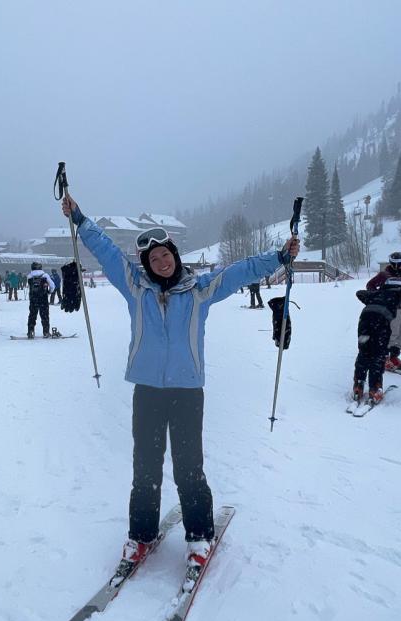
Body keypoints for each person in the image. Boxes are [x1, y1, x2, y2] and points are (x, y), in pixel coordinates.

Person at [61, 192, 299, 579]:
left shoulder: (200, 289)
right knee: (146, 468)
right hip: (148, 391)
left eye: (165, 255)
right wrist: (80, 219)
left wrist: (279, 257)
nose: (160, 262)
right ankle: (141, 535)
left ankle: (200, 535)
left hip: (187, 392)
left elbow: (240, 271)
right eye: (153, 259)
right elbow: (105, 251)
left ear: (174, 254)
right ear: (147, 264)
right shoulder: (135, 287)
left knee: (189, 468)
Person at [352, 277, 401, 403]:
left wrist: (373, 294)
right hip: (381, 324)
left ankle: (358, 384)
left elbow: (359, 293)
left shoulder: (377, 293)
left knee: (364, 352)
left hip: (364, 322)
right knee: (378, 354)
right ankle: (375, 388)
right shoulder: (398, 296)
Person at [366, 251, 401, 371]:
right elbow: (370, 285)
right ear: (396, 264)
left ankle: (394, 356)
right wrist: (380, 296)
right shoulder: (384, 274)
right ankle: (385, 358)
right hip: (391, 309)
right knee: (392, 333)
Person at [26, 261, 55, 338]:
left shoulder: (29, 276)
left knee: (32, 315)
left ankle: (30, 331)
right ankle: (46, 332)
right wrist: (49, 292)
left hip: (33, 298)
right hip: (43, 298)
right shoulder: (45, 275)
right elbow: (52, 286)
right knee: (44, 315)